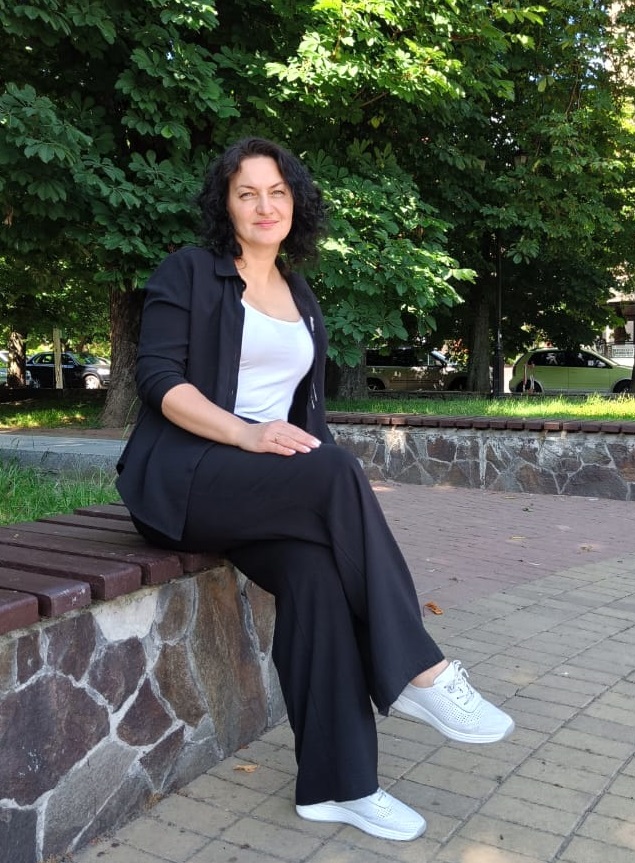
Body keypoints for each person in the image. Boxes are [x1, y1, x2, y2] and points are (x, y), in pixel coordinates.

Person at [116, 137, 514, 842]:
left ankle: (338, 787)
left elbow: (304, 416)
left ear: (295, 202)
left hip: (263, 487)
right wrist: (245, 434)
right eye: (246, 193)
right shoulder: (189, 272)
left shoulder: (297, 291)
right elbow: (159, 380)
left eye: (277, 192)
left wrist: (293, 452)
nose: (264, 206)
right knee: (336, 470)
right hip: (187, 480)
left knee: (319, 578)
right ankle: (418, 668)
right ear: (225, 205)